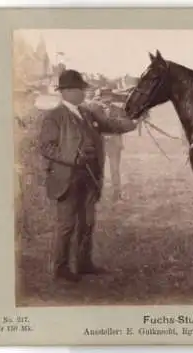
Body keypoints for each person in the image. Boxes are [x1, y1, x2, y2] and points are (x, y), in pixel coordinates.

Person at [38, 69, 138, 282]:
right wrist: (72, 157)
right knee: (66, 225)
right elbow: (46, 147)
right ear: (67, 92)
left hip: (89, 177)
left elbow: (111, 125)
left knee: (88, 222)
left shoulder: (87, 113)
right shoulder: (54, 117)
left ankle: (84, 264)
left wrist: (134, 122)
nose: (83, 93)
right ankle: (61, 268)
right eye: (80, 89)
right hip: (66, 178)